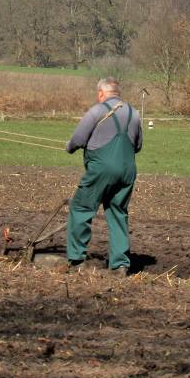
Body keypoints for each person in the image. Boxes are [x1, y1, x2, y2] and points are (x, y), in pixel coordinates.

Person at [64, 77, 142, 275]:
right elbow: (138, 146)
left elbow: (78, 139)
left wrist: (69, 147)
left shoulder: (97, 111)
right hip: (127, 171)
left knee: (81, 208)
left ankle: (76, 260)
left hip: (101, 169)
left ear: (101, 93)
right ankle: (120, 265)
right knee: (118, 212)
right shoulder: (134, 113)